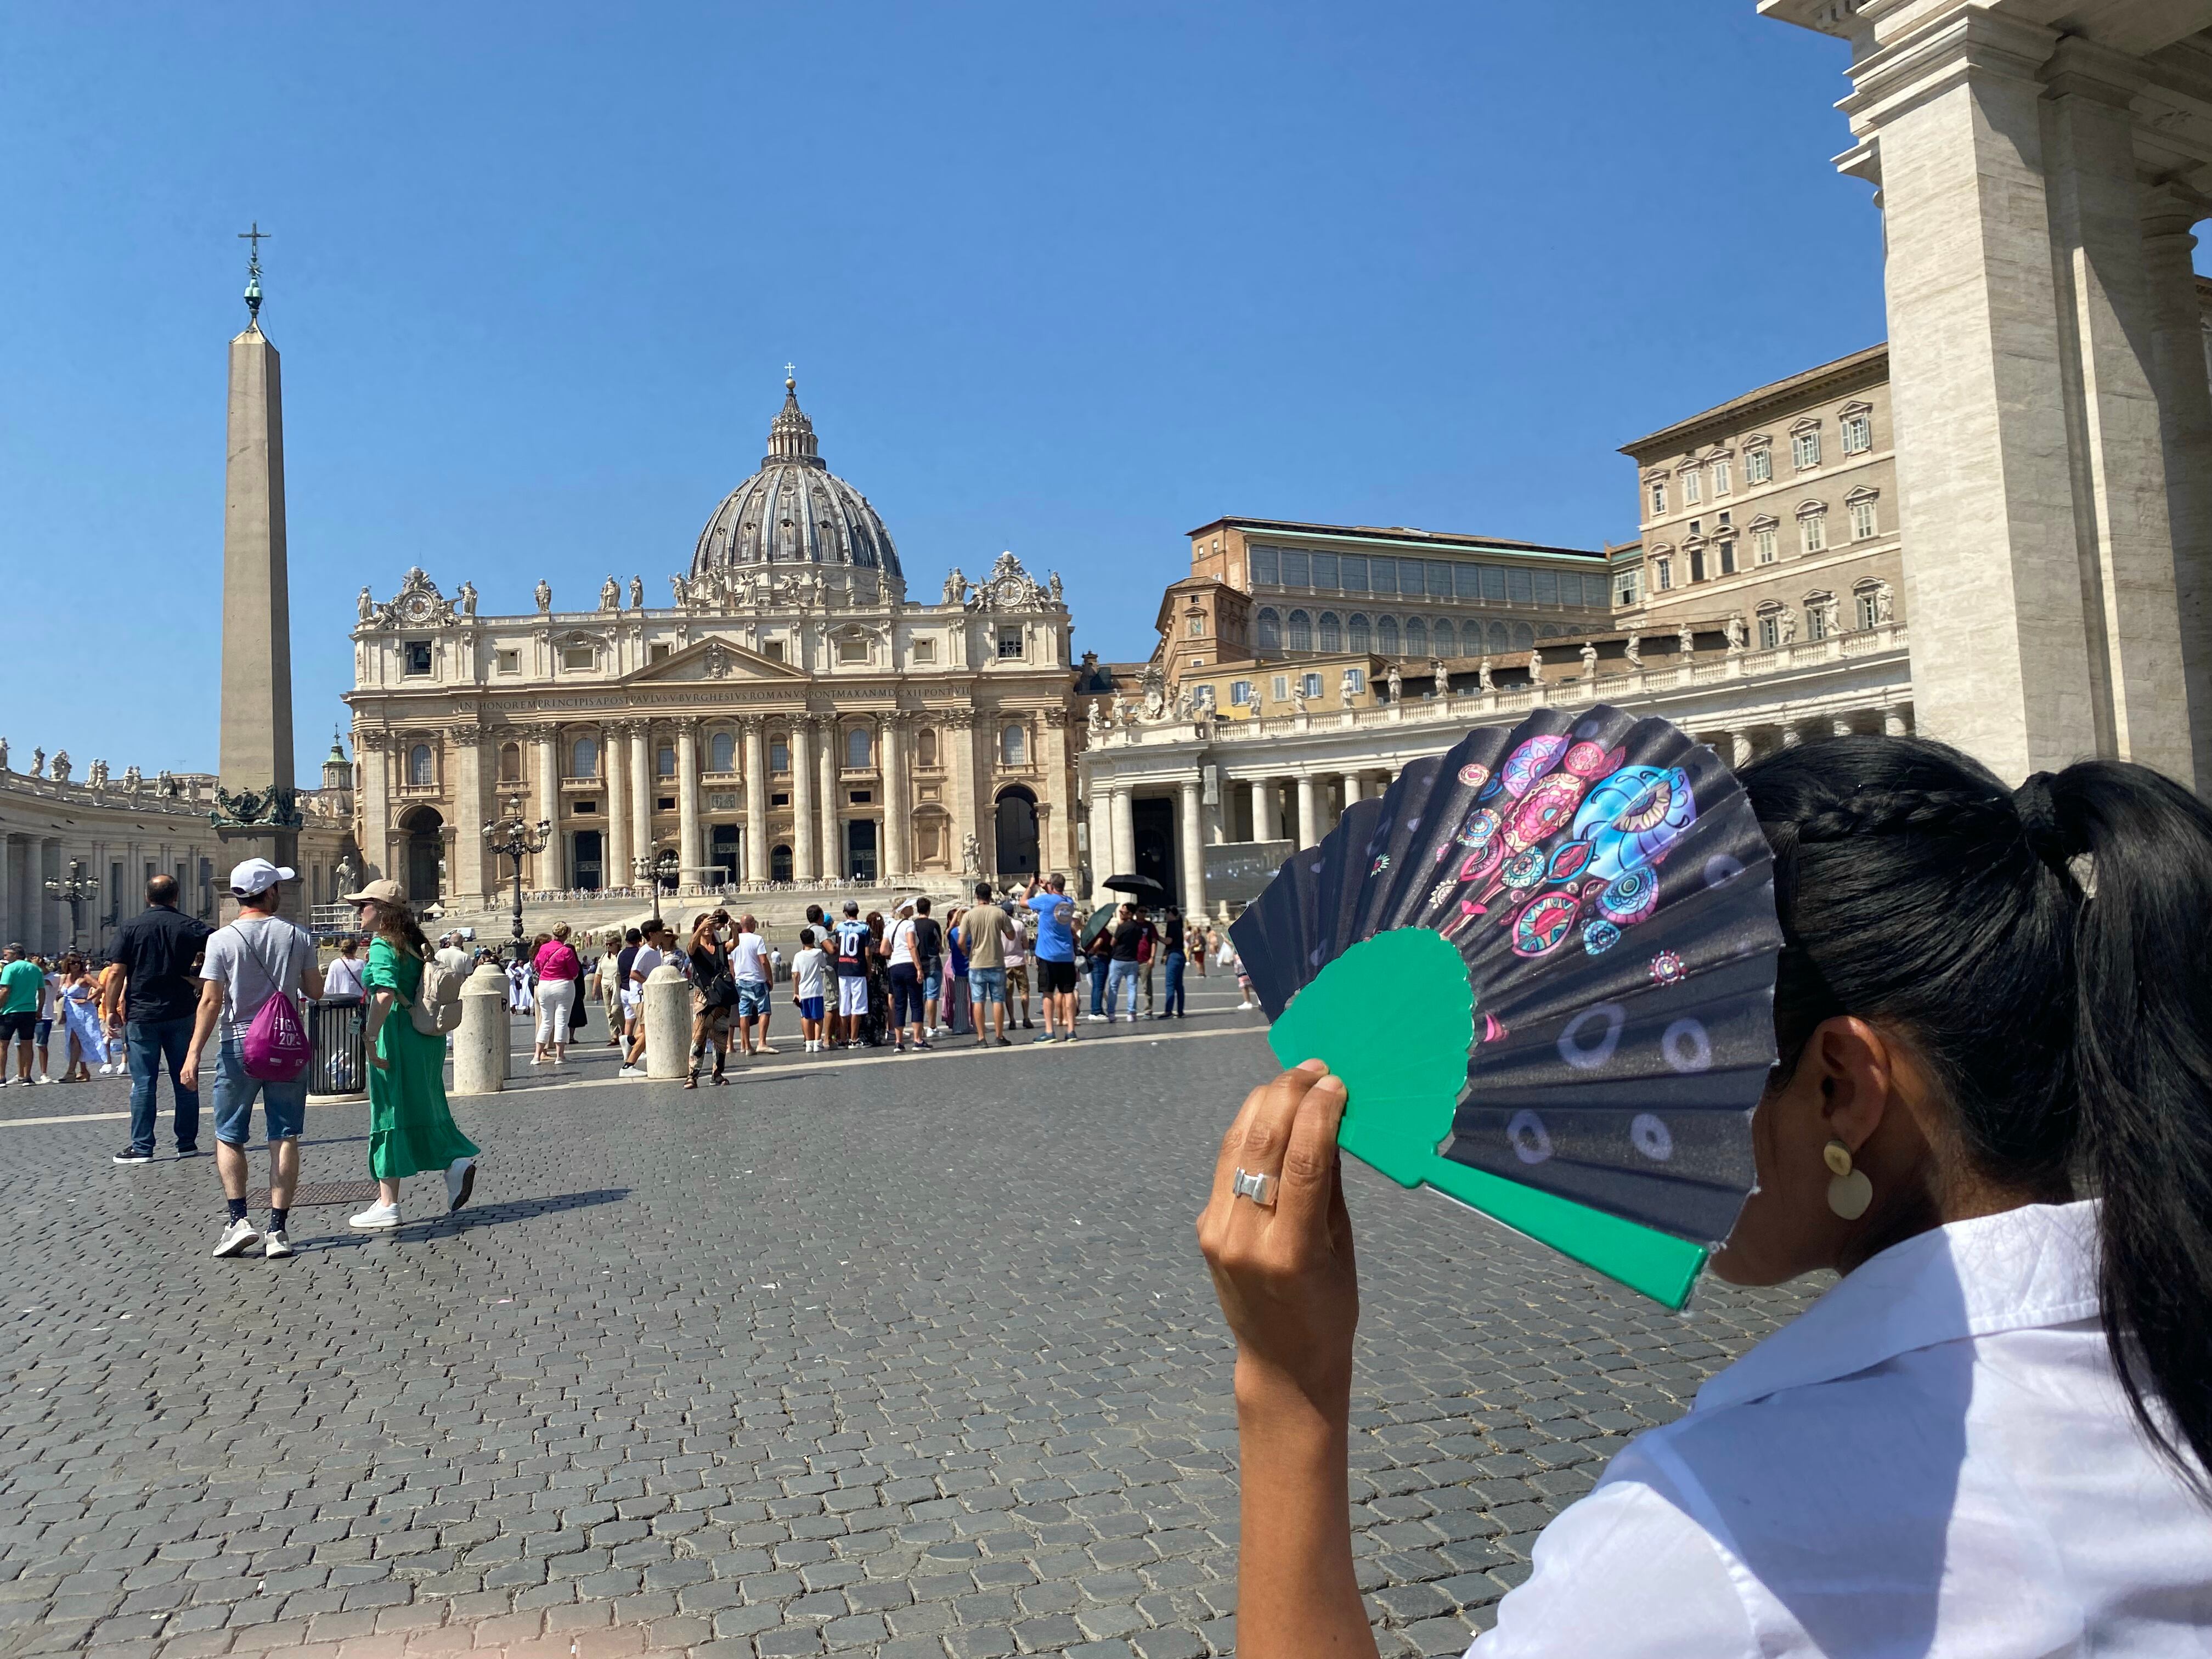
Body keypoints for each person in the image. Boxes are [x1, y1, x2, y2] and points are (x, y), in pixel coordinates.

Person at [1197, 735, 2212, 1658]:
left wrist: (1289, 1391)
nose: (1665, 1111)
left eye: (1703, 1060)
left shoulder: (1715, 1544)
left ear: (1839, 1087)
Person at [182, 859, 324, 1259]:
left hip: (239, 1045)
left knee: (229, 1133)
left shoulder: (220, 940)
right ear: (271, 892)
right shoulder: (297, 935)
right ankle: (278, 1230)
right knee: (283, 1133)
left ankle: (238, 1220)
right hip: (286, 1045)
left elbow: (211, 1001)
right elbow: (314, 991)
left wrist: (193, 1054)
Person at [343, 878, 479, 1229]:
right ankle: (455, 1161)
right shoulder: (416, 943)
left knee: (389, 1110)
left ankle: (388, 1203)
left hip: (397, 1035)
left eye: (364, 905)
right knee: (425, 1103)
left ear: (382, 911)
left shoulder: (382, 945)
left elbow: (385, 994)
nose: (359, 911)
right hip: (424, 1036)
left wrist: (370, 1037)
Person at [103, 873, 213, 1158]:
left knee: (143, 1083)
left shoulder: (130, 927)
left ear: (146, 896)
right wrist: (196, 981)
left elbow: (116, 972)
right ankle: (187, 1144)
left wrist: (112, 1010)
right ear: (176, 896)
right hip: (181, 1012)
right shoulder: (191, 926)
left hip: (142, 1015)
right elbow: (220, 952)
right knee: (186, 1078)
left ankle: (143, 1147)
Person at [958, 883, 1018, 1048]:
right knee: (998, 1000)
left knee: (978, 1001)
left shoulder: (969, 915)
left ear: (976, 896)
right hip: (997, 962)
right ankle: (999, 1036)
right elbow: (1012, 936)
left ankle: (981, 1038)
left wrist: (966, 952)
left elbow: (961, 941)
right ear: (990, 896)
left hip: (976, 963)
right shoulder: (999, 913)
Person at [1028, 874, 1080, 1044]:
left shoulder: (1045, 901)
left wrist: (1031, 887)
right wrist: (1047, 888)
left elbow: (1023, 903)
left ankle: (1050, 1031)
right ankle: (1071, 1030)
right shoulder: (1069, 902)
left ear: (1052, 885)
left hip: (1047, 955)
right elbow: (1056, 900)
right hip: (1066, 954)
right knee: (1068, 992)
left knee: (1048, 993)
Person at [684, 912, 732, 1088]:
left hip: (721, 996)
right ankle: (692, 1075)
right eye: (705, 926)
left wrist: (733, 928)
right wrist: (701, 926)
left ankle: (717, 1073)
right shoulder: (696, 949)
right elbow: (690, 946)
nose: (709, 929)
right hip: (703, 998)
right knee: (699, 1036)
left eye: (711, 926)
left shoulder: (719, 946)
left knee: (721, 1036)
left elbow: (734, 944)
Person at [618, 922, 669, 1077]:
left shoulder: (656, 951)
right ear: (652, 934)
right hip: (640, 996)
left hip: (646, 996)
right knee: (649, 1032)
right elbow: (634, 973)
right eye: (660, 931)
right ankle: (628, 1065)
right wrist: (650, 984)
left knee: (646, 1030)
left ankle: (631, 1040)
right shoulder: (645, 952)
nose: (663, 933)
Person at [531, 922, 582, 1065]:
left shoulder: (544, 948)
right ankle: (560, 1056)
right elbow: (574, 972)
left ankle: (537, 1056)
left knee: (546, 1021)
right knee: (561, 1021)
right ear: (566, 935)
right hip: (563, 985)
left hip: (544, 985)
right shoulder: (566, 951)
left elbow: (537, 965)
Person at [883, 899, 930, 1053]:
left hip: (895, 968)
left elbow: (884, 950)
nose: (913, 908)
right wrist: (919, 968)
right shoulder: (910, 924)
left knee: (900, 1004)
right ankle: (917, 1040)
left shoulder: (889, 927)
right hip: (909, 965)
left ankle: (899, 1042)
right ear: (904, 910)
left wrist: (895, 953)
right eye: (910, 907)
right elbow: (911, 945)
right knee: (916, 1002)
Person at [0, 945, 43, 1088]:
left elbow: (5, 990)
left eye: (6, 955)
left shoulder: (9, 969)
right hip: (29, 1011)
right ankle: (27, 1077)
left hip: (9, 1011)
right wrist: (39, 1010)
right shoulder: (35, 969)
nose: (4, 958)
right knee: (27, 1044)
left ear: (15, 955)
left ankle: (1, 1078)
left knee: (3, 1045)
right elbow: (42, 991)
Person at [831, 901, 872, 1049]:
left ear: (845, 913)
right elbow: (867, 953)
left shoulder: (839, 927)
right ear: (858, 911)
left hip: (843, 969)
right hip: (858, 968)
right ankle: (854, 1039)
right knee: (857, 1006)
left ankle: (843, 1038)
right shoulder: (865, 928)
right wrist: (869, 969)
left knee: (844, 1005)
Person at [731, 913, 772, 1056]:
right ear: (752, 924)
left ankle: (747, 1046)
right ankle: (762, 1042)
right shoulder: (757, 939)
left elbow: (732, 966)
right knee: (764, 1011)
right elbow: (764, 961)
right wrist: (769, 978)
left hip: (741, 981)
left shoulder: (733, 941)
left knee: (744, 1013)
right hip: (757, 980)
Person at [792, 927, 830, 1053]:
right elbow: (824, 965)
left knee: (806, 1017)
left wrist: (795, 992)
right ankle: (818, 1042)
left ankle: (809, 1043)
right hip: (816, 990)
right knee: (819, 1017)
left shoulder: (798, 956)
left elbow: (795, 975)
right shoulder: (818, 953)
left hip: (803, 991)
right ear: (813, 940)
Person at [1105, 903, 1144, 1023]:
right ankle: (1131, 1013)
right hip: (1132, 960)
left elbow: (1112, 943)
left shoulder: (1122, 927)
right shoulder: (1138, 927)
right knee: (1132, 988)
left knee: (1113, 987)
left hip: (1118, 960)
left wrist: (1119, 926)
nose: (1120, 913)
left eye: (1123, 912)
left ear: (1130, 914)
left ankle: (1111, 1013)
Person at [913, 896, 945, 1036]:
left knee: (920, 996)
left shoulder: (912, 925)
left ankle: (919, 1028)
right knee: (932, 996)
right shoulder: (934, 924)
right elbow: (940, 945)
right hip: (933, 963)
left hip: (918, 964)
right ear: (929, 909)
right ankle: (932, 1027)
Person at [1155, 905, 1188, 1020]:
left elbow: (1169, 941)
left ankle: (1168, 1010)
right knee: (1179, 985)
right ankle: (1180, 1011)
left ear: (1170, 914)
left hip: (1174, 956)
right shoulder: (1179, 924)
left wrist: (1157, 937)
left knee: (1170, 984)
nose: (1165, 916)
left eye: (1166, 914)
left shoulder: (1172, 924)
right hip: (1181, 955)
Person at [1005, 906, 1034, 1031]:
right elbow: (1026, 945)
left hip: (1004, 963)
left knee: (1008, 993)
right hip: (1019, 961)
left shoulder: (998, 926)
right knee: (1024, 991)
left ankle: (1012, 1019)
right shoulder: (1019, 924)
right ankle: (1026, 1018)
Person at [323, 935, 366, 1005]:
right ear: (355, 949)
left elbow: (329, 988)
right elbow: (366, 986)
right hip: (357, 1002)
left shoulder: (335, 964)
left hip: (339, 1003)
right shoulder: (362, 964)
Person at [1085, 921, 1114, 1022]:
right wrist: (1097, 951)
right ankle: (1096, 1011)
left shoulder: (1091, 931)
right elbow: (1100, 941)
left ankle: (1097, 1010)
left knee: (1097, 987)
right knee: (1099, 986)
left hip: (1095, 959)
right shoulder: (1101, 931)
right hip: (1100, 960)